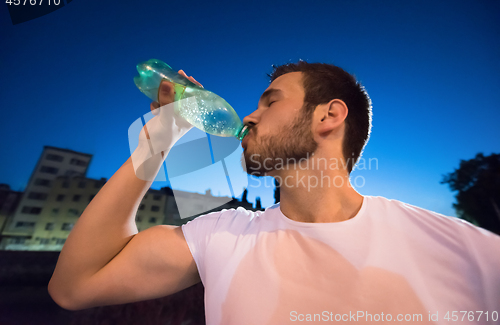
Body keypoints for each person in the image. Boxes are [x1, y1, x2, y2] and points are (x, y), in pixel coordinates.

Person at [48, 62, 500, 324]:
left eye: (270, 101)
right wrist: (160, 138)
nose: (248, 116)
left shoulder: (471, 253)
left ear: (329, 116)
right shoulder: (220, 236)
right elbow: (74, 287)